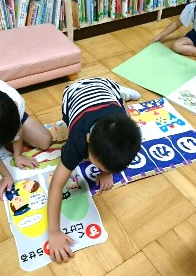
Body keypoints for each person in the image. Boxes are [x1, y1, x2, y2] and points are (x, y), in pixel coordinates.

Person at [47, 77, 142, 263]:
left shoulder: (126, 126)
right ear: (89, 139)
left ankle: (121, 92)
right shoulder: (77, 142)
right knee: (69, 122)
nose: (99, 169)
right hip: (73, 93)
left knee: (124, 113)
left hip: (107, 87)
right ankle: (120, 92)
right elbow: (56, 187)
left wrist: (107, 172)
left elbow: (126, 122)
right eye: (99, 166)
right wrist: (54, 231)